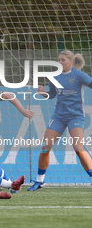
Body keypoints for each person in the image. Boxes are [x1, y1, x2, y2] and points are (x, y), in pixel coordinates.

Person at [28, 50, 92, 191]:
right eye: (59, 59)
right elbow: (51, 95)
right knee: (45, 148)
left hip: (76, 116)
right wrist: (43, 93)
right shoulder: (55, 76)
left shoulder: (78, 74)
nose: (60, 62)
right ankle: (40, 181)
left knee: (78, 149)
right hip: (59, 117)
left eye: (63, 60)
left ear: (70, 62)